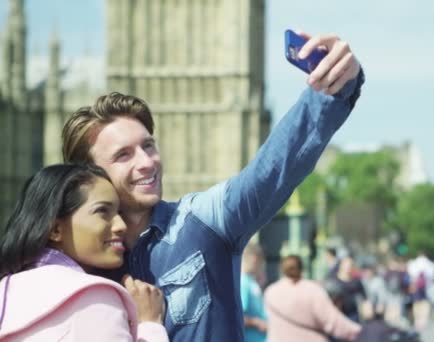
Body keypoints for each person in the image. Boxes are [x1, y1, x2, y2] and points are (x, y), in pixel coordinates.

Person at [60, 31, 363, 341]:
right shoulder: (71, 266)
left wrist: (333, 88)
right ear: (89, 175)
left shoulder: (205, 221)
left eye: (148, 146)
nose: (147, 162)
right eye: (124, 155)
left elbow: (274, 167)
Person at [0, 164, 168, 341]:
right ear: (56, 230)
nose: (122, 226)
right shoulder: (96, 296)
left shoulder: (6, 292)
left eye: (119, 213)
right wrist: (151, 325)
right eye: (102, 211)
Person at [264, 255, 361, 342]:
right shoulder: (311, 290)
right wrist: (361, 332)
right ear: (302, 268)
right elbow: (332, 322)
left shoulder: (270, 291)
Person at [241, 242, 268, 342]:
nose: (262, 265)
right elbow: (239, 316)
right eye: (262, 260)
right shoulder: (243, 282)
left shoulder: (251, 281)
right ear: (254, 259)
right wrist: (257, 322)